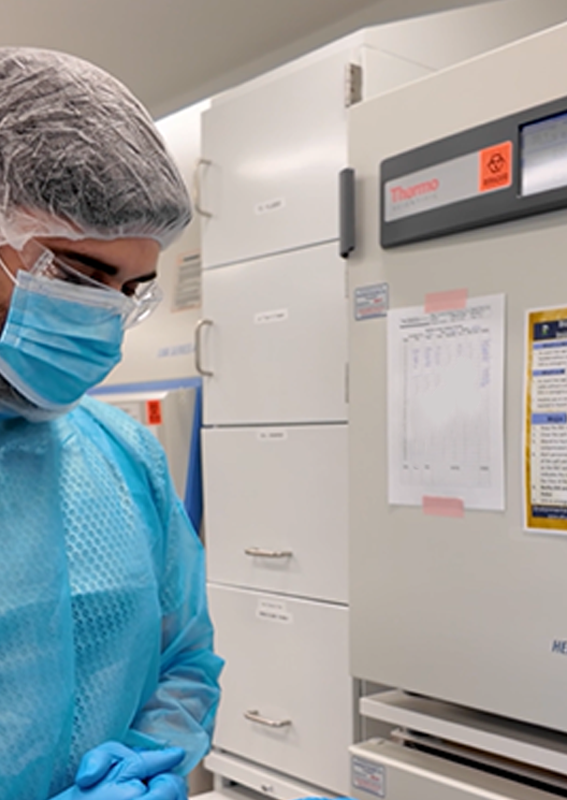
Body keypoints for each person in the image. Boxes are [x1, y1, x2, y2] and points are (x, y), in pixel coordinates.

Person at [0, 48, 223, 799]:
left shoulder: (123, 455)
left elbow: (183, 657)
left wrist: (153, 758)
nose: (108, 320)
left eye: (131, 289)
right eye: (80, 275)